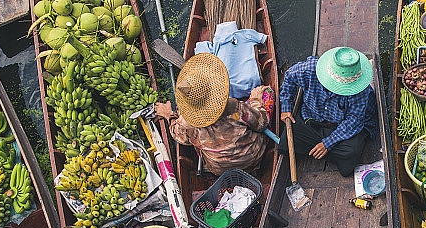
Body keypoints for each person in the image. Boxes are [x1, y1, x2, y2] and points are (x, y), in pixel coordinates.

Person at [155, 53, 271, 175]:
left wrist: (170, 115)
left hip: (218, 169)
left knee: (194, 139)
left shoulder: (185, 122)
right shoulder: (233, 107)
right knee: (267, 93)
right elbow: (262, 123)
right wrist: (255, 100)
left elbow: (178, 136)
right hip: (252, 159)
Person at [277, 46, 376, 177]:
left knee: (351, 153)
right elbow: (289, 76)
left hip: (339, 128)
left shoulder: (360, 90)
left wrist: (327, 143)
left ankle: (319, 149)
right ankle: (328, 152)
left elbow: (354, 121)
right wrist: (286, 107)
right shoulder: (311, 69)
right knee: (285, 142)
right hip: (312, 119)